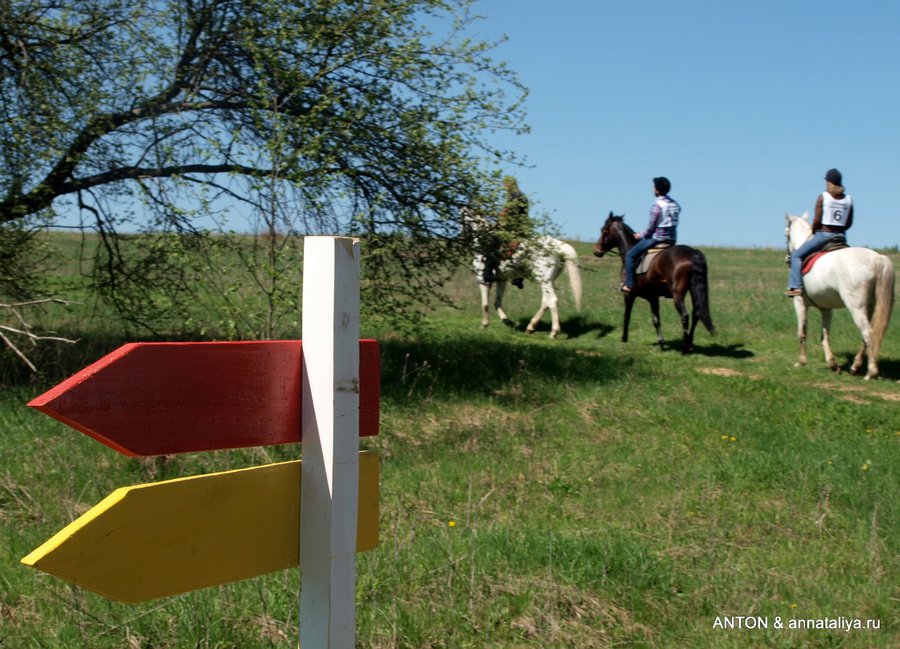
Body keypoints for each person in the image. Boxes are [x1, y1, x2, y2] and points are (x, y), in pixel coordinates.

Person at [786, 169, 853, 297]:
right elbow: (849, 222)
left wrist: (814, 229)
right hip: (841, 237)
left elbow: (817, 219)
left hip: (824, 235)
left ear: (828, 182)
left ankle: (795, 287)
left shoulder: (824, 197)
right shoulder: (848, 199)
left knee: (796, 255)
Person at [619, 177, 680, 294]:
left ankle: (629, 285)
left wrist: (639, 236)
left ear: (657, 190)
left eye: (654, 186)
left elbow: (650, 228)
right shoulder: (675, 204)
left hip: (658, 238)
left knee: (630, 255)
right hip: (672, 239)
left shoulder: (657, 206)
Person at [482, 176, 533, 289]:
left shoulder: (514, 195)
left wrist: (497, 222)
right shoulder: (522, 195)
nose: (504, 187)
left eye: (505, 184)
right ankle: (518, 277)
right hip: (524, 228)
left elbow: (506, 211)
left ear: (509, 184)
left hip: (514, 227)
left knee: (492, 245)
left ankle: (487, 277)